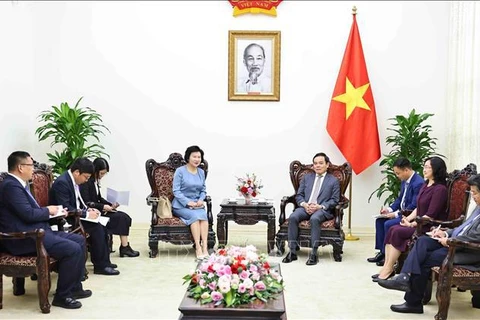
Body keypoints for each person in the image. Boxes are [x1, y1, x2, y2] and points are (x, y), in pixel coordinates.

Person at [0, 151, 91, 309]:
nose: (33, 169)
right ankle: (62, 296)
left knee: (80, 240)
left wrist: (51, 211)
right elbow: (28, 214)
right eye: (31, 165)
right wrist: (49, 210)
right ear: (21, 167)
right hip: (24, 238)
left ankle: (74, 288)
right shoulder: (11, 186)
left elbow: (28, 212)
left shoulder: (18, 184)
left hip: (37, 232)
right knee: (73, 249)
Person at [378, 174, 480, 314]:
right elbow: (462, 228)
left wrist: (449, 241)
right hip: (455, 244)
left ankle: (413, 301)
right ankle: (405, 276)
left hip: (467, 252)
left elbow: (475, 236)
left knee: (424, 259)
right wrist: (445, 234)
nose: (473, 196)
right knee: (422, 242)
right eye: (472, 192)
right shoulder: (478, 208)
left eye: (475, 192)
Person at [372, 156, 448, 281]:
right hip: (419, 222)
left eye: (428, 167)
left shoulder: (440, 189)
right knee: (392, 229)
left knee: (396, 230)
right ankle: (387, 267)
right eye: (424, 166)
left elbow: (430, 215)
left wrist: (412, 225)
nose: (424, 169)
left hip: (428, 227)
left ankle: (389, 268)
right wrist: (408, 219)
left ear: (437, 169)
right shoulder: (425, 185)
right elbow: (418, 208)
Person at [49, 157, 120, 276]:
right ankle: (101, 266)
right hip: (65, 219)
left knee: (101, 225)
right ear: (77, 172)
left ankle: (103, 262)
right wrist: (86, 214)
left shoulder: (73, 180)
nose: (86, 181)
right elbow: (65, 207)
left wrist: (88, 209)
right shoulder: (63, 183)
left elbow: (79, 202)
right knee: (97, 228)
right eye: (86, 177)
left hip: (75, 216)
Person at [282, 152, 340, 266]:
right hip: (306, 207)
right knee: (293, 217)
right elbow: (299, 195)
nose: (317, 166)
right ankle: (292, 251)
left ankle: (314, 253)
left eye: (320, 163)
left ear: (327, 164)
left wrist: (320, 206)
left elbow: (335, 200)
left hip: (322, 210)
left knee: (314, 218)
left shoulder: (333, 180)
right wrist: (304, 204)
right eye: (315, 163)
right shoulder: (307, 177)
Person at [367, 158, 424, 266]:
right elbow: (399, 200)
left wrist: (396, 214)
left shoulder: (418, 183)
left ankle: (388, 257)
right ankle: (382, 252)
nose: (397, 176)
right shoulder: (404, 181)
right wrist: (388, 210)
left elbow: (413, 206)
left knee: (389, 224)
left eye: (398, 173)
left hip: (409, 216)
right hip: (401, 213)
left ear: (406, 170)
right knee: (380, 220)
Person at [79, 157, 139, 258]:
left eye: (104, 174)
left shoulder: (95, 182)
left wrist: (110, 204)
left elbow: (98, 198)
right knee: (122, 218)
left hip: (100, 210)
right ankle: (124, 247)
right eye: (101, 173)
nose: (102, 176)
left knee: (125, 216)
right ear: (95, 171)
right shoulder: (86, 182)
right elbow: (87, 202)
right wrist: (103, 206)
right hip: (93, 212)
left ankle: (125, 246)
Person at [172, 145, 209, 260]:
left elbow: (203, 190)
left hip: (197, 205)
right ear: (188, 157)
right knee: (195, 217)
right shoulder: (180, 171)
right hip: (181, 205)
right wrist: (188, 202)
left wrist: (200, 200)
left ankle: (205, 247)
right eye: (194, 156)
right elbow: (176, 191)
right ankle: (198, 247)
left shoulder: (201, 172)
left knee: (203, 216)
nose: (197, 159)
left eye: (199, 157)